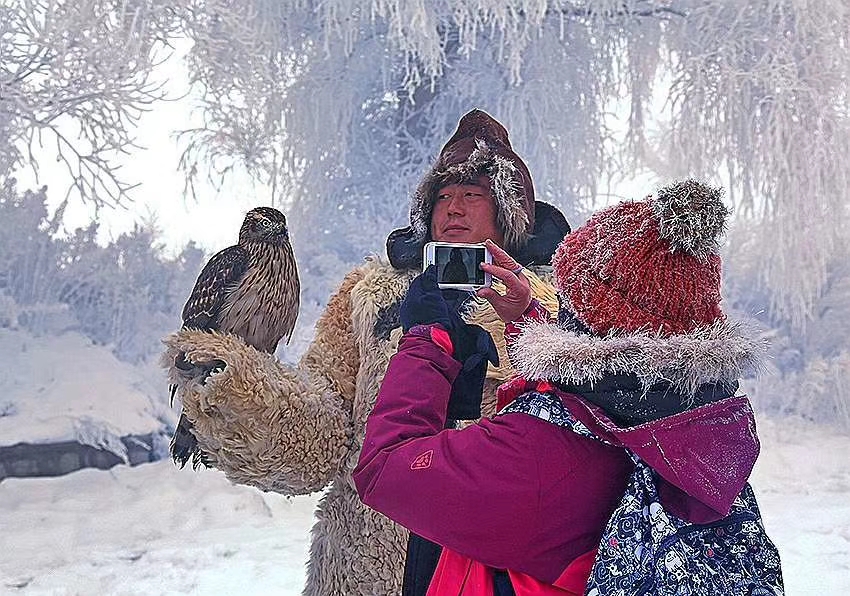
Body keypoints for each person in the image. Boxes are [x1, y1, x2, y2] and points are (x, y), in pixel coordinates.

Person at [163, 109, 571, 595]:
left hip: (503, 569)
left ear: (508, 212)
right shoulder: (368, 293)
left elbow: (579, 439)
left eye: (472, 195)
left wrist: (527, 321)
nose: (453, 209)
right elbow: (319, 431)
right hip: (371, 567)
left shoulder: (565, 300)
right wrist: (240, 386)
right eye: (443, 196)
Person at [353, 180, 783, 595]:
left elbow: (383, 468)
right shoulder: (688, 422)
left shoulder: (533, 451)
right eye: (443, 196)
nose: (454, 208)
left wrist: (428, 343)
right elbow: (589, 400)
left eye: (572, 298)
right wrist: (530, 323)